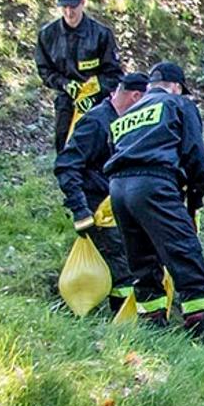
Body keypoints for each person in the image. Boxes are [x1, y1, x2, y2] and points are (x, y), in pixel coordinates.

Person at [103, 61, 204, 337]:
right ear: (176, 87)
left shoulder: (126, 115)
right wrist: (195, 198)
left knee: (142, 263)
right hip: (154, 183)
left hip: (117, 188)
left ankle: (152, 330)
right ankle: (202, 334)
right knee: (185, 254)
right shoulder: (178, 105)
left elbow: (111, 147)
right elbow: (194, 154)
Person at [54, 72, 146, 313]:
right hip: (97, 208)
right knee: (124, 269)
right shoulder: (96, 121)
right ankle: (120, 326)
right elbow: (67, 164)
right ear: (136, 96)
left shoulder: (125, 122)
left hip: (116, 206)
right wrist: (80, 209)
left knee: (121, 266)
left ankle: (102, 317)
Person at [35, 0, 123, 152]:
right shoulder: (47, 35)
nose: (69, 12)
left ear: (83, 3)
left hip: (97, 102)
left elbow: (114, 74)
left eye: (73, 7)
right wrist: (65, 84)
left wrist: (95, 90)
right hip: (66, 101)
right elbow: (45, 70)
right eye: (65, 7)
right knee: (65, 147)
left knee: (98, 149)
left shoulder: (101, 34)